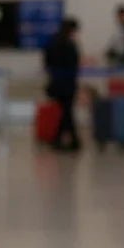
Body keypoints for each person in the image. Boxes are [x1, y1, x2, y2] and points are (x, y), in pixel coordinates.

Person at [44, 17, 81, 152]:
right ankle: (71, 140)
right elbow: (74, 64)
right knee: (67, 111)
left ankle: (61, 139)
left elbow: (47, 62)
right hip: (67, 83)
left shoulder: (52, 41)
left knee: (65, 111)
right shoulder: (69, 44)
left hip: (56, 82)